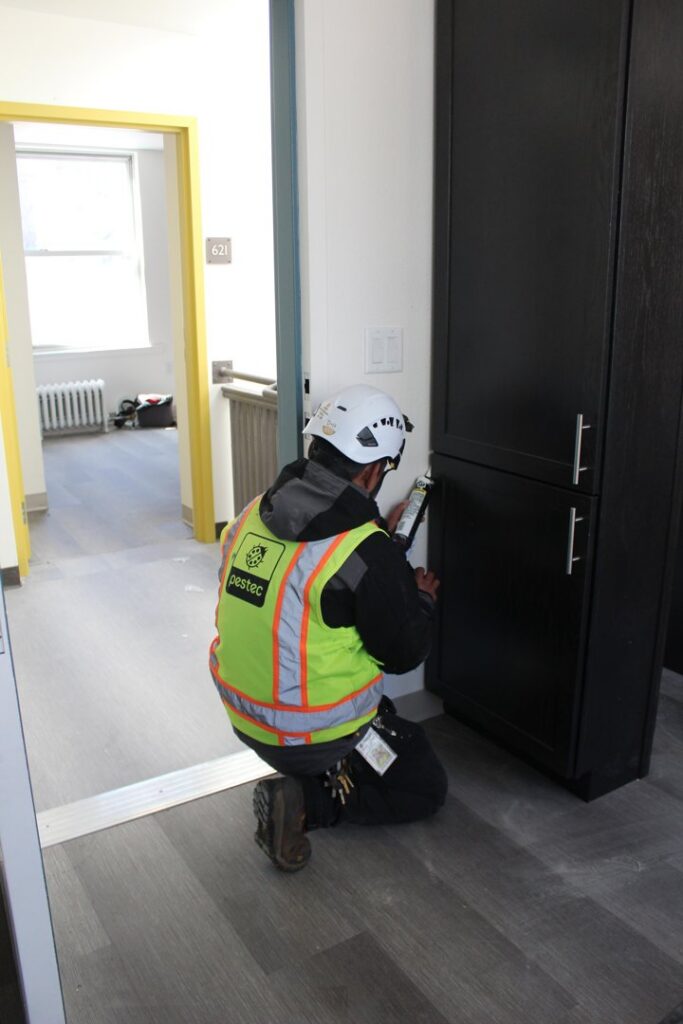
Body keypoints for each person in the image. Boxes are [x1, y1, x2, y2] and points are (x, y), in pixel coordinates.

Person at [209, 384, 447, 871]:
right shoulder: (365, 552)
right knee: (424, 784)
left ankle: (320, 770)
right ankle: (308, 802)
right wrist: (419, 598)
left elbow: (310, 579)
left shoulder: (252, 513)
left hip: (243, 715)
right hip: (309, 732)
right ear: (372, 469)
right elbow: (403, 653)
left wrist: (381, 544)